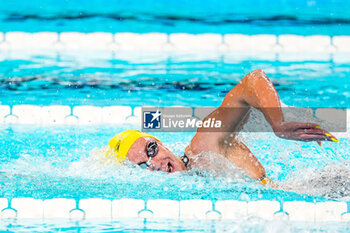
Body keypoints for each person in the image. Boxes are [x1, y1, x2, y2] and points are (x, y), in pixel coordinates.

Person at [106, 69, 339, 187]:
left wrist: (277, 123)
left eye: (151, 149)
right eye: (142, 165)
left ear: (161, 141)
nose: (155, 164)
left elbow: (253, 80)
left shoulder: (205, 145)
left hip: (325, 185)